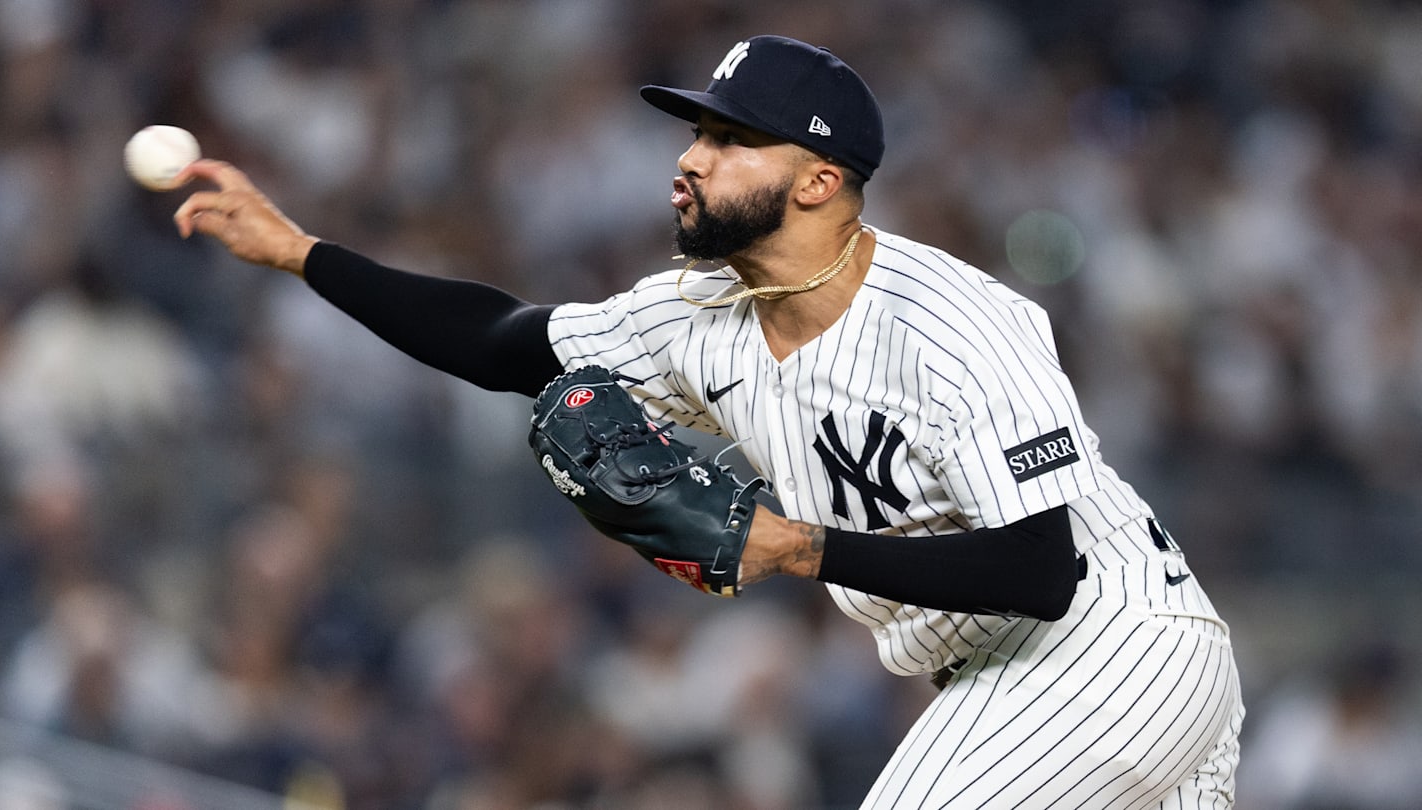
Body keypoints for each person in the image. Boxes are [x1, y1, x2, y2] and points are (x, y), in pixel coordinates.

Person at [174, 34, 1244, 809]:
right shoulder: (699, 318)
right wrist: (302, 253)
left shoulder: (957, 323)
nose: (690, 158)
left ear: (821, 180)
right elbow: (502, 342)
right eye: (697, 132)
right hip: (1018, 678)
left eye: (732, 139)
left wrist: (795, 546)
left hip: (1110, 645)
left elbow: (1039, 568)